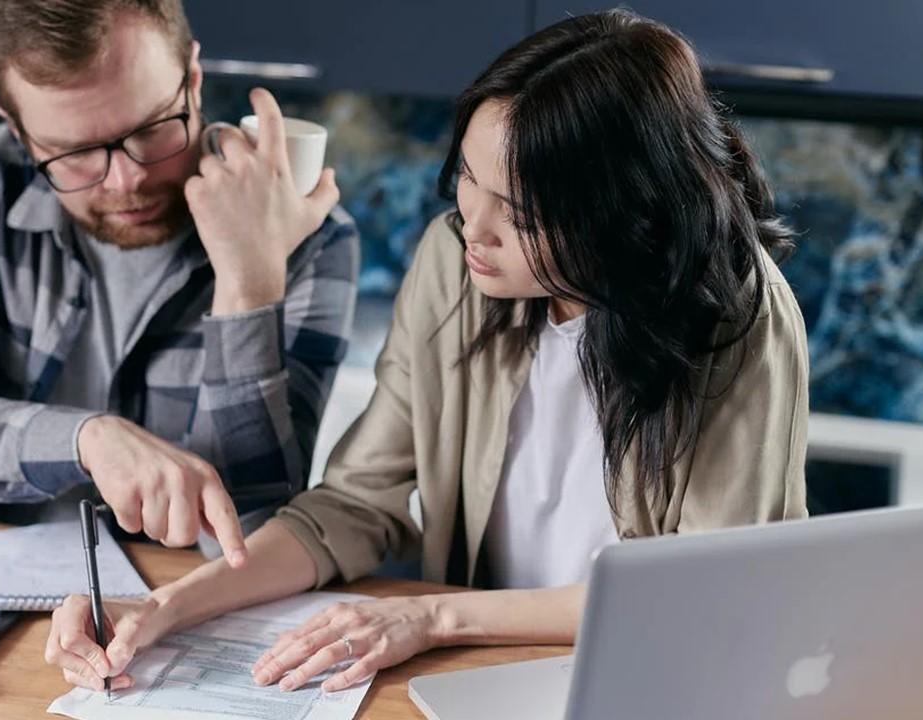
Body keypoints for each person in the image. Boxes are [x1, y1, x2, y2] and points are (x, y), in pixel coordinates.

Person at [44, 8, 809, 694]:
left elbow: (699, 592)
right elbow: (351, 505)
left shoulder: (739, 315)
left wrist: (435, 618)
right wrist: (166, 607)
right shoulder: (455, 263)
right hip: (475, 677)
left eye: (518, 213)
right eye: (468, 181)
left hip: (649, 681)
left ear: (621, 213)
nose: (471, 227)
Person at [0, 0, 360, 564]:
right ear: (17, 130)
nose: (127, 181)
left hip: (180, 601)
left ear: (192, 81)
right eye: (73, 153)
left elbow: (252, 531)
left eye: (150, 129)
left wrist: (248, 284)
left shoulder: (307, 234)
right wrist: (88, 441)